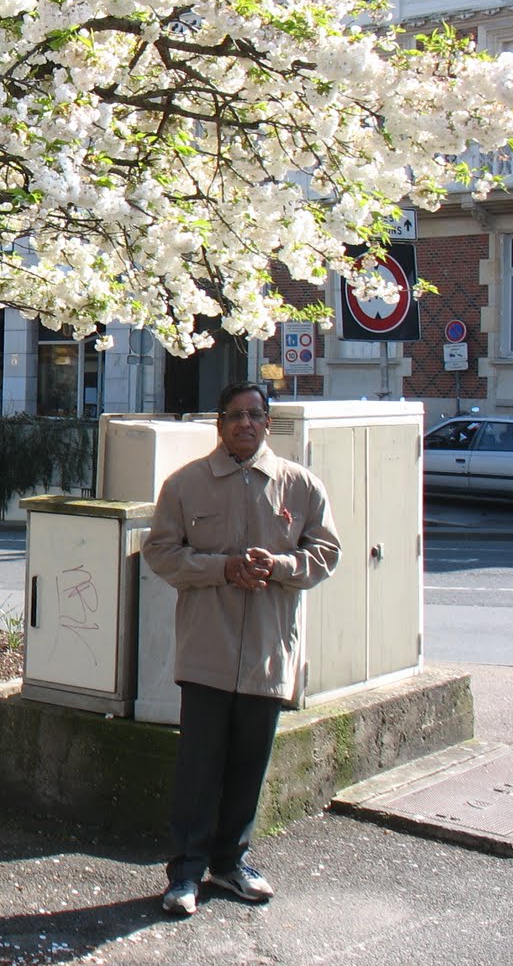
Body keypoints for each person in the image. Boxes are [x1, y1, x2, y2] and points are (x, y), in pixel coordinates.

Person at [141, 380, 341, 917]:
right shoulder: (185, 485)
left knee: (249, 765)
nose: (246, 424)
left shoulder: (300, 486)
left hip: (268, 651)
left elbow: (325, 553)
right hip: (207, 648)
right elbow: (160, 553)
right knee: (198, 767)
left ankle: (231, 863)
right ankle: (185, 872)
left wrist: (280, 566)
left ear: (268, 423)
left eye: (255, 415)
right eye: (235, 415)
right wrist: (222, 568)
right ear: (220, 424)